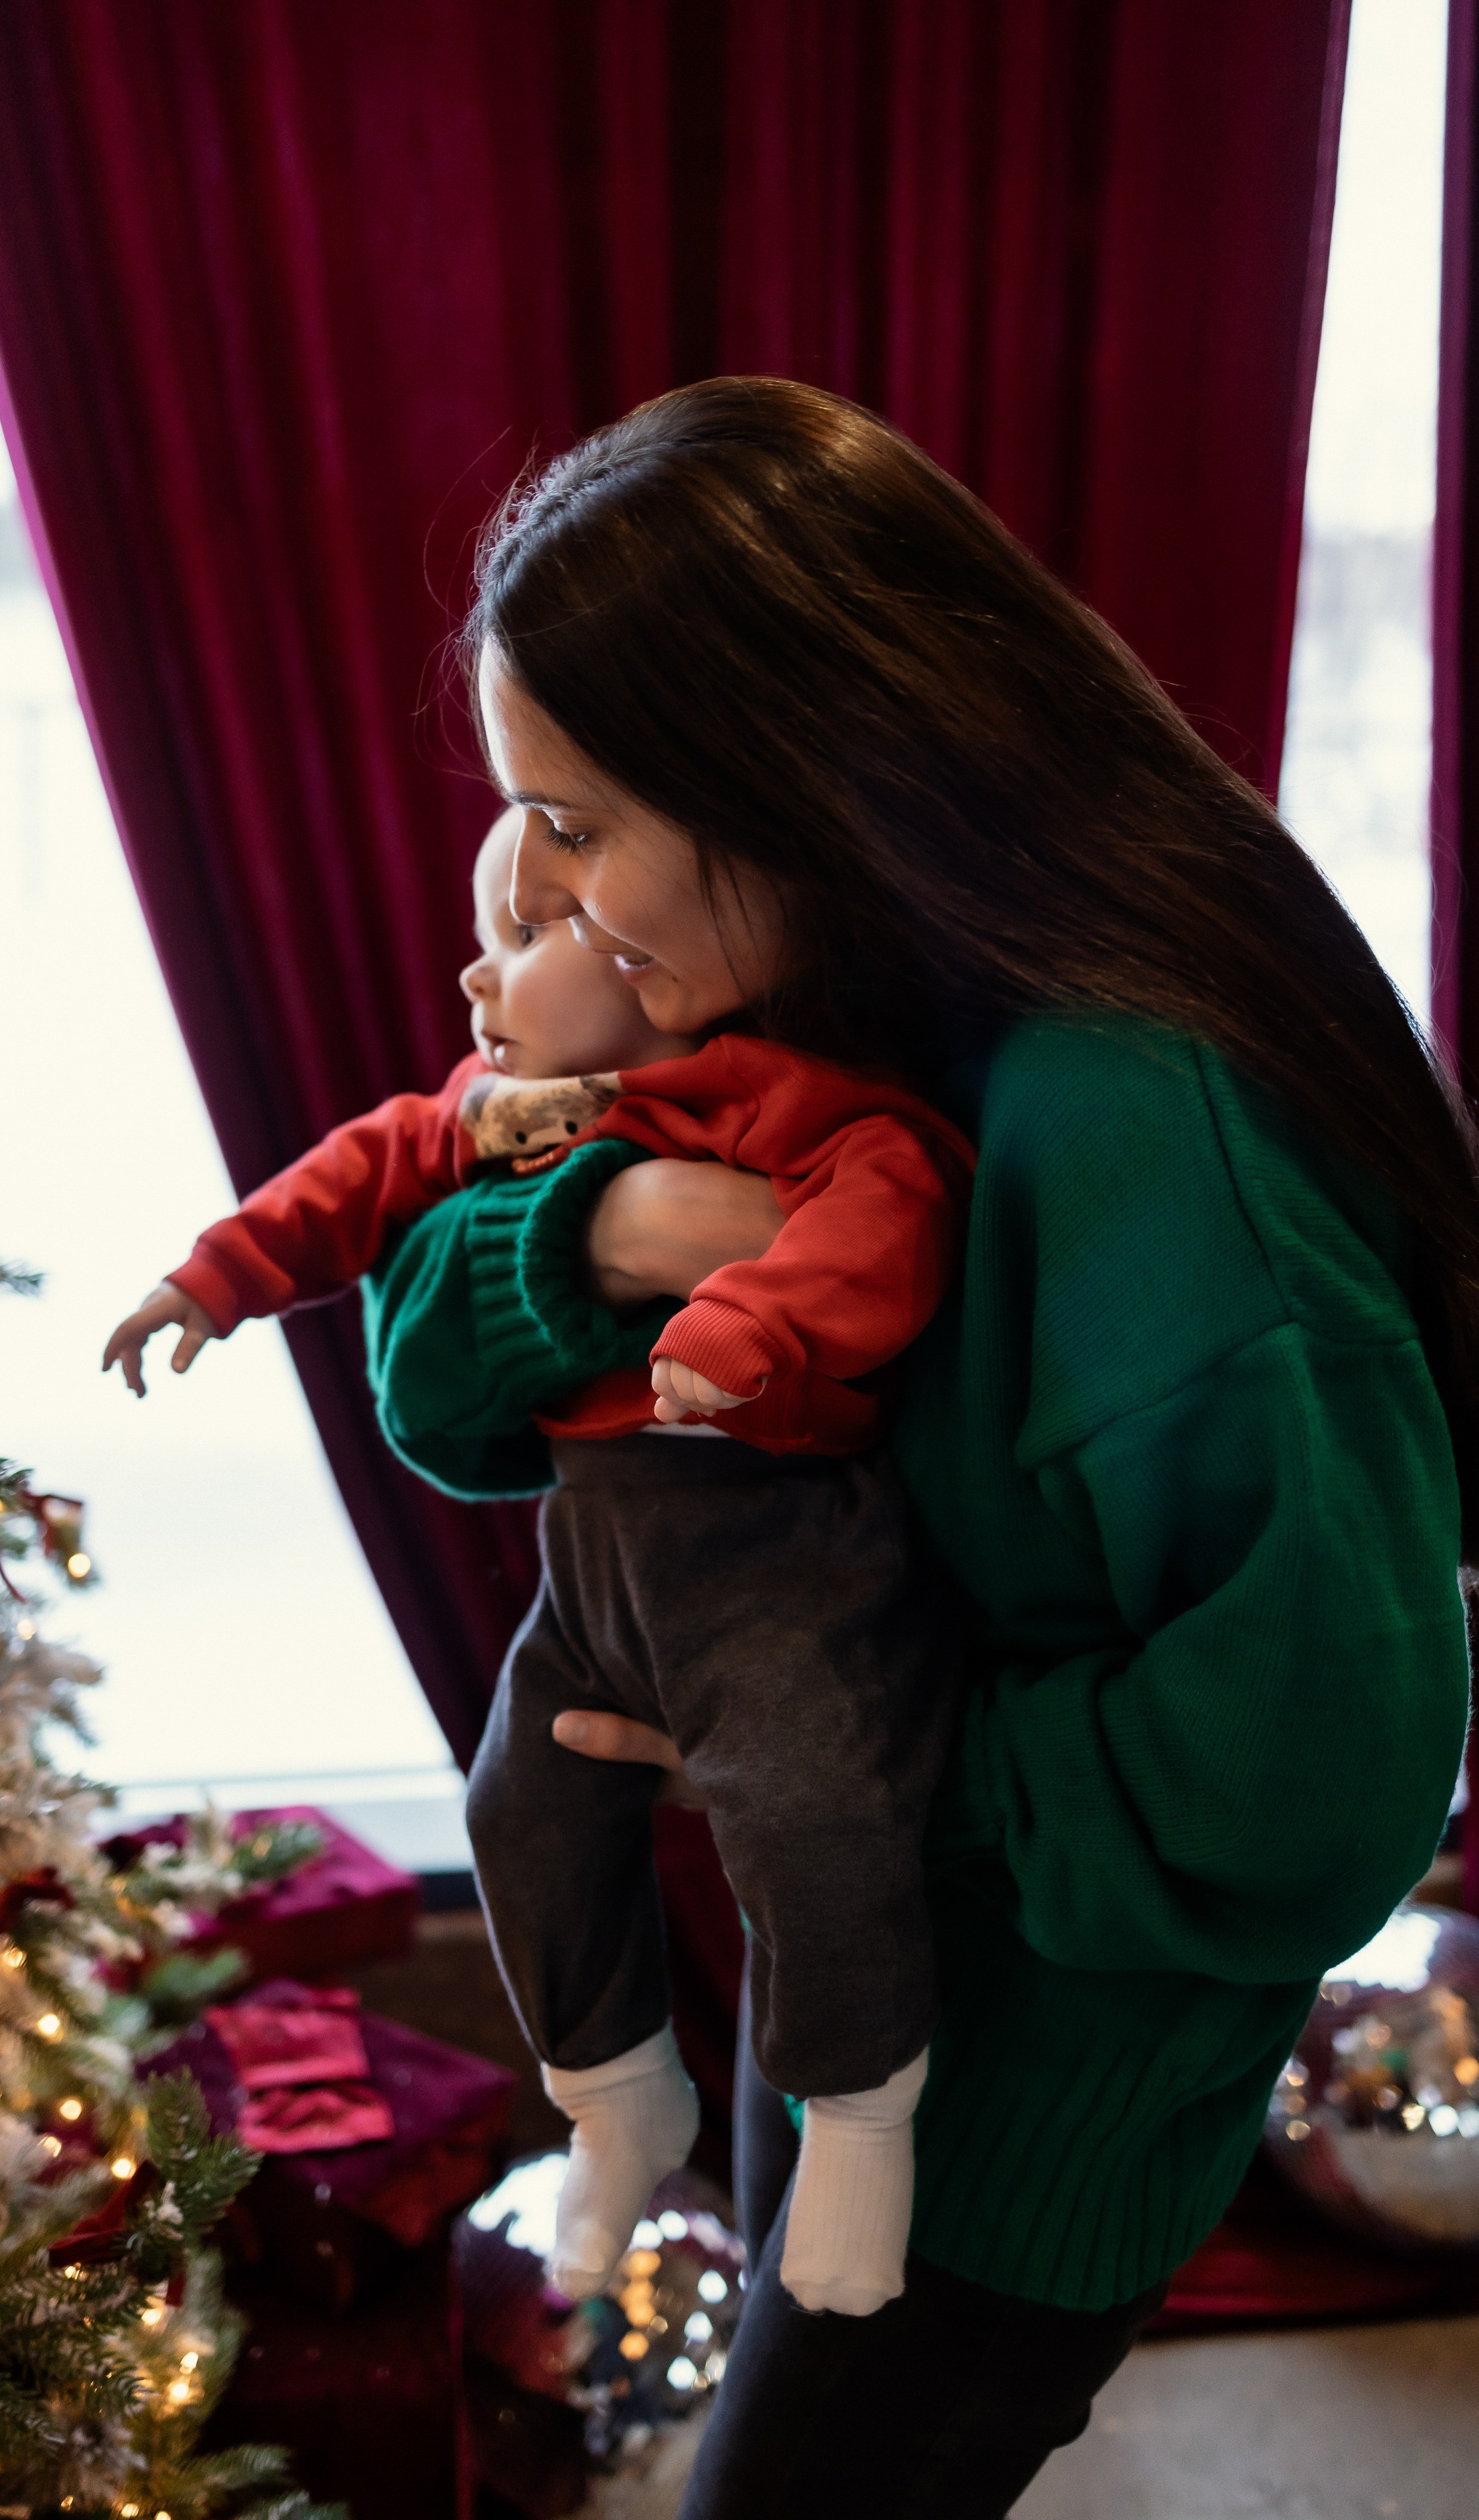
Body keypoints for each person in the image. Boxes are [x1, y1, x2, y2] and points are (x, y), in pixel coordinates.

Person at [354, 376, 1473, 2516]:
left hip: (1037, 2114)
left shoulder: (1148, 1137)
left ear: (777, 775)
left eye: (575, 823)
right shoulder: (789, 1004)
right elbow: (428, 1382)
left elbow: (1324, 1779)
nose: (534, 901)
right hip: (853, 1979)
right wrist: (595, 1234)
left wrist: (883, 1755)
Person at [102, 801, 975, 2319]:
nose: (471, 980)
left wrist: (736, 1325)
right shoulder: (506, 1113)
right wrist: (214, 1278)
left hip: (768, 1551)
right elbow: (355, 1180)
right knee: (519, 1800)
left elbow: (884, 1214)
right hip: (593, 1562)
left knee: (806, 1807)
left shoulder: (774, 1096)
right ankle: (616, 2094)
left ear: (660, 971)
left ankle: (856, 2118)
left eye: (520, 936)